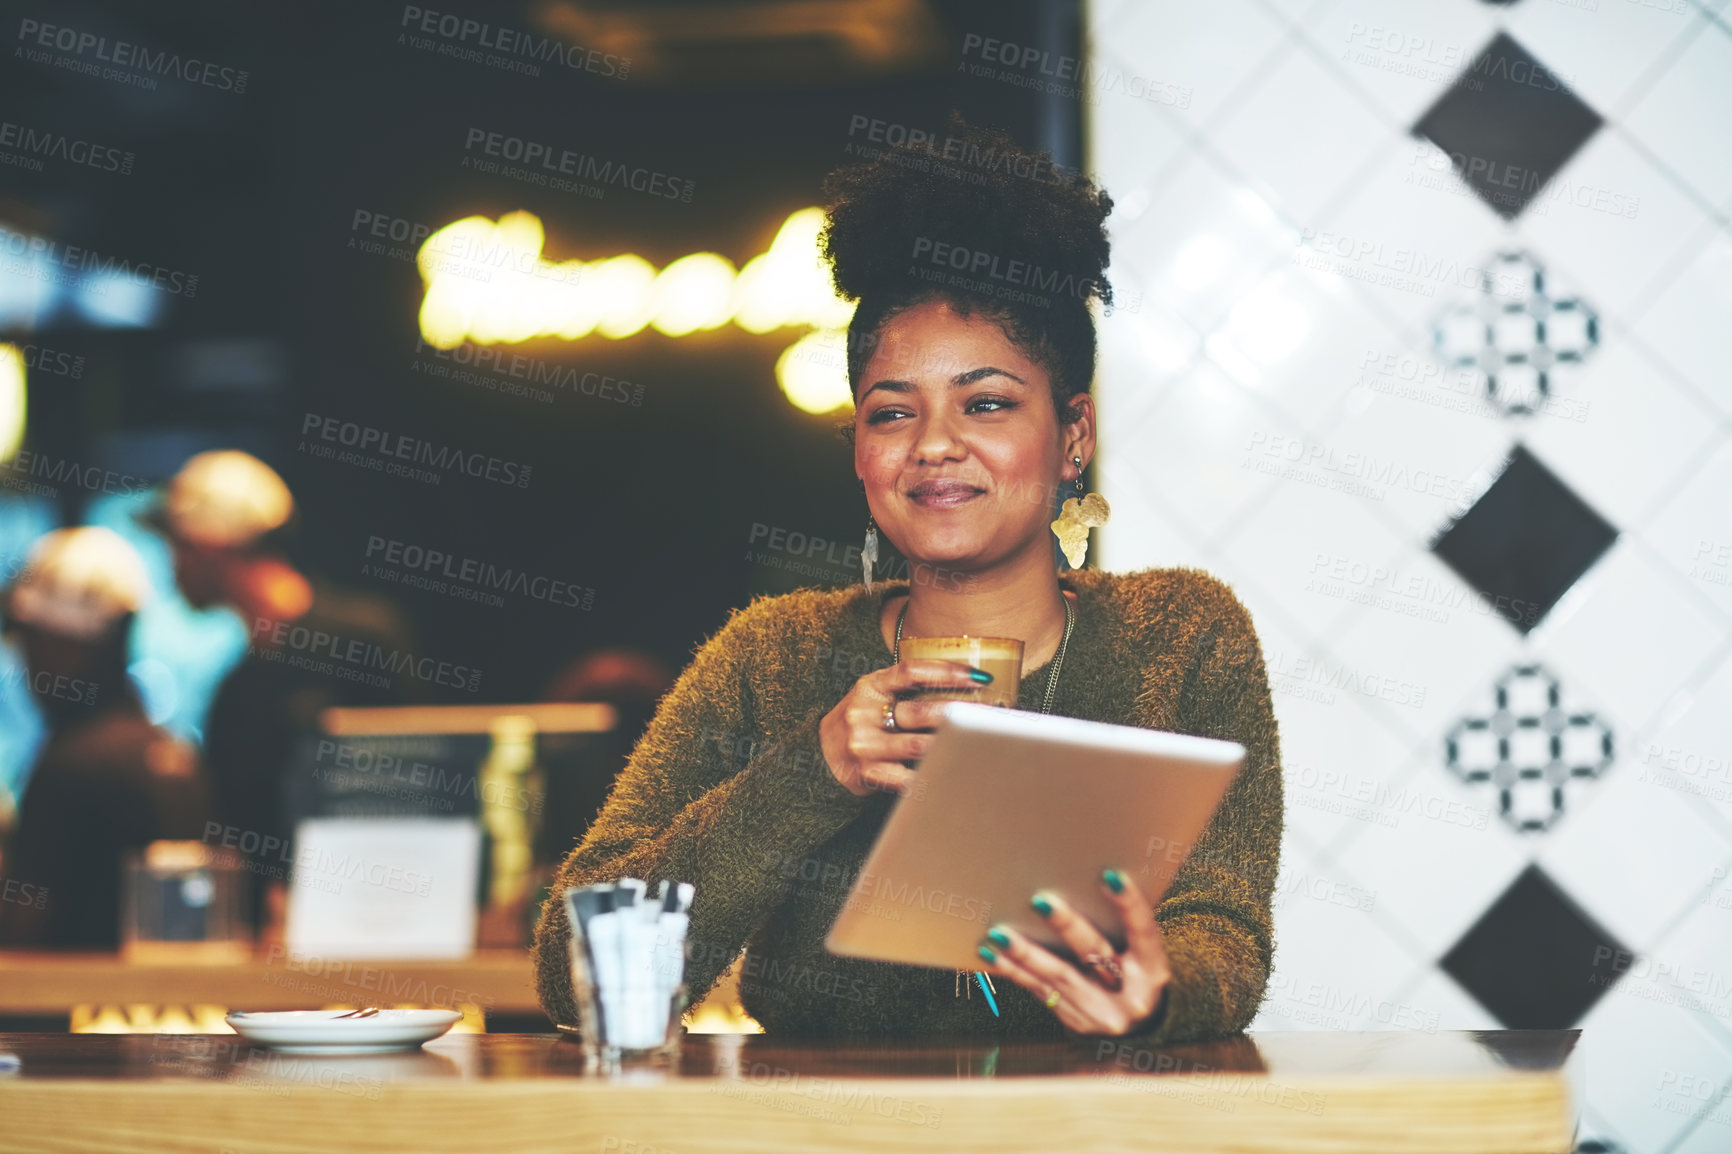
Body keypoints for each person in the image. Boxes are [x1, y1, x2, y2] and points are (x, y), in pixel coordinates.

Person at [531, 112, 1284, 1041]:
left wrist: (1162, 993)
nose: (934, 446)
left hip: (1093, 1133)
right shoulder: (769, 655)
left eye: (988, 403)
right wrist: (816, 768)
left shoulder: (1182, 634)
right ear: (859, 448)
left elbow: (1225, 926)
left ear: (1074, 436)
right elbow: (577, 973)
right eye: (893, 414)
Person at [138, 449, 413, 934]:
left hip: (384, 932)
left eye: (176, 546)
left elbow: (423, 787)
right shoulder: (236, 689)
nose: (172, 567)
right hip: (280, 955)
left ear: (210, 545)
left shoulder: (366, 640)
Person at [0, 528, 211, 947]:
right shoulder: (169, 752)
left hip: (76, 1007)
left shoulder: (73, 764)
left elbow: (22, 937)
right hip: (159, 1005)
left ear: (58, 645)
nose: (26, 668)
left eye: (29, 645)